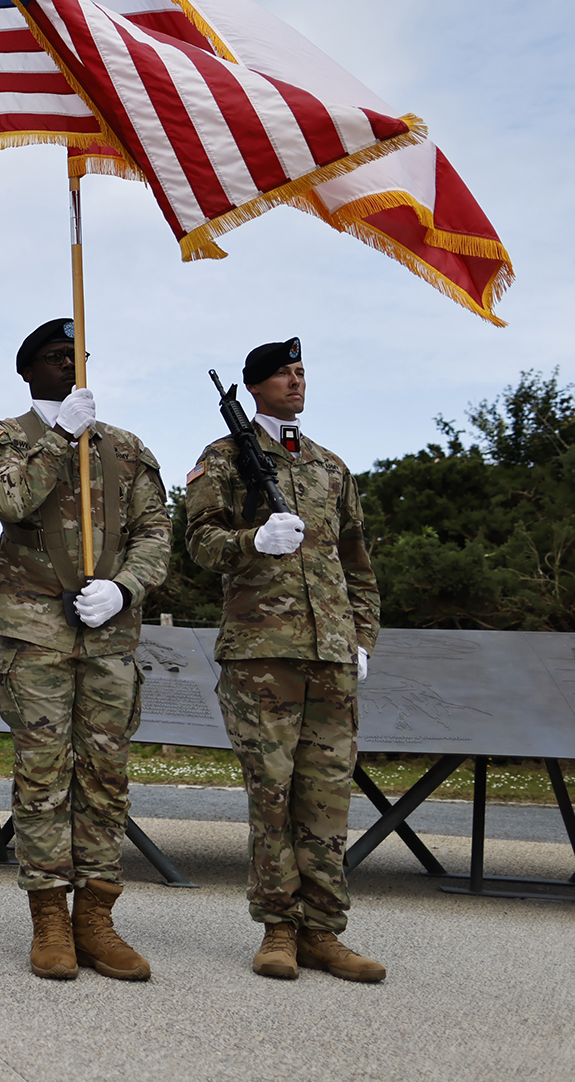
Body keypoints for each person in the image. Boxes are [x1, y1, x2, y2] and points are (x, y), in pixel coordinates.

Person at [0, 318, 169, 981]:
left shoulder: (127, 448)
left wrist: (124, 587)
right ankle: (50, 918)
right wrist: (60, 436)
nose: (72, 367)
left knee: (106, 777)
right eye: (58, 358)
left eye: (79, 356)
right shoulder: (1, 438)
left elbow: (154, 534)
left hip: (109, 636)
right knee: (44, 778)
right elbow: (13, 499)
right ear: (29, 371)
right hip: (36, 635)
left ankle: (97, 917)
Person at [184, 337, 385, 983]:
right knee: (272, 793)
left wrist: (361, 639)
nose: (296, 382)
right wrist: (253, 540)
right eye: (282, 374)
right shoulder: (222, 459)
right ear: (253, 387)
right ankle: (278, 926)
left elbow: (357, 565)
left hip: (329, 656)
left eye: (301, 372)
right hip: (261, 656)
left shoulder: (330, 467)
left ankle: (323, 930)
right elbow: (198, 543)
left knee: (326, 795)